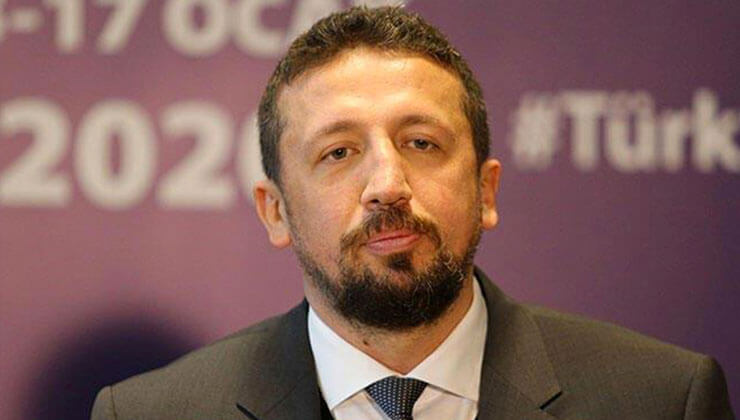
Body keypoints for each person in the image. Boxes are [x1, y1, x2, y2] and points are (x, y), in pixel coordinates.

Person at [91, 6, 734, 420]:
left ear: (485, 190)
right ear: (275, 212)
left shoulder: (660, 399)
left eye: (421, 143)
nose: (387, 185)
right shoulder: (152, 414)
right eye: (339, 152)